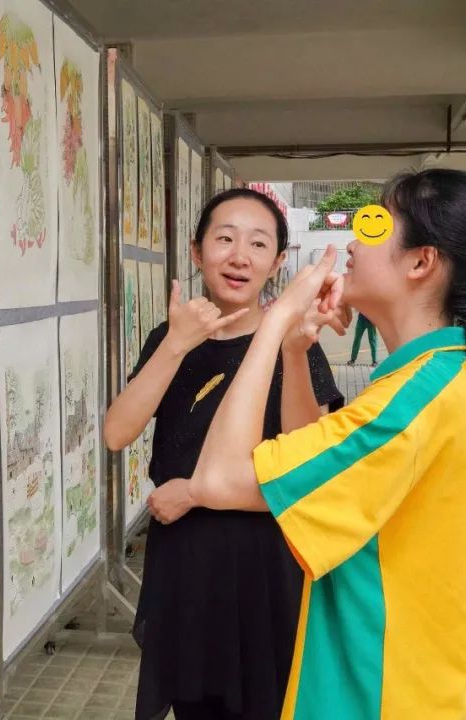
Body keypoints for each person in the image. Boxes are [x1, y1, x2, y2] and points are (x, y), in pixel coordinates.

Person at [151, 169, 466, 719]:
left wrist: (271, 325)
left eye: (375, 225)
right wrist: (294, 349)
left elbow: (219, 480)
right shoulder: (443, 377)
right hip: (400, 686)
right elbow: (305, 461)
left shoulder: (413, 402)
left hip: (377, 694)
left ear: (421, 262)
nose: (351, 243)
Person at [103, 188, 346, 720]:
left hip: (264, 563)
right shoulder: (169, 338)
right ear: (196, 253)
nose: (240, 256)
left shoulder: (295, 344)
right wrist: (175, 343)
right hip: (186, 563)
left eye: (259, 244)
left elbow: (306, 471)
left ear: (278, 262)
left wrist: (195, 494)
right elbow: (117, 433)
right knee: (196, 707)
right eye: (224, 239)